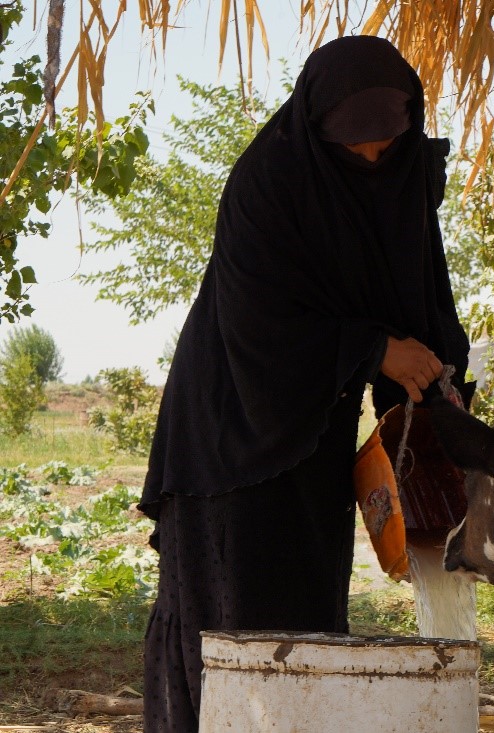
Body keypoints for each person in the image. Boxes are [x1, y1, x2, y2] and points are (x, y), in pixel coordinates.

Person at [138, 36, 471, 732]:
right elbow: (259, 323)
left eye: (387, 145)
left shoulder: (404, 175)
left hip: (313, 431)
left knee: (309, 625)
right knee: (232, 631)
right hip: (230, 434)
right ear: (319, 129)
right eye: (356, 148)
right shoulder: (267, 182)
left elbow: (421, 298)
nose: (373, 162)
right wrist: (375, 348)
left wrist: (438, 387)